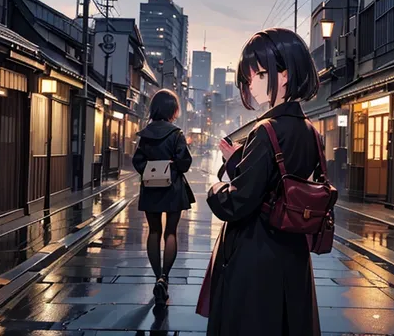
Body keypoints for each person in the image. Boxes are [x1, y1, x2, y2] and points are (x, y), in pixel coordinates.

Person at [201, 28, 322, 335]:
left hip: (257, 254)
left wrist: (215, 190)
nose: (251, 84)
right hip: (292, 251)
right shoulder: (309, 130)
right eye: (249, 76)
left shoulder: (266, 130)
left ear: (284, 75)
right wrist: (239, 160)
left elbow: (238, 202)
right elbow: (278, 182)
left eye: (258, 74)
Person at [132, 89, 193, 306]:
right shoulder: (176, 134)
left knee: (154, 231)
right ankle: (164, 277)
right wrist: (171, 166)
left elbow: (137, 161)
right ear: (173, 110)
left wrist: (151, 169)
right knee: (171, 233)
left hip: (151, 188)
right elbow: (185, 162)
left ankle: (156, 275)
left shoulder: (146, 134)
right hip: (173, 189)